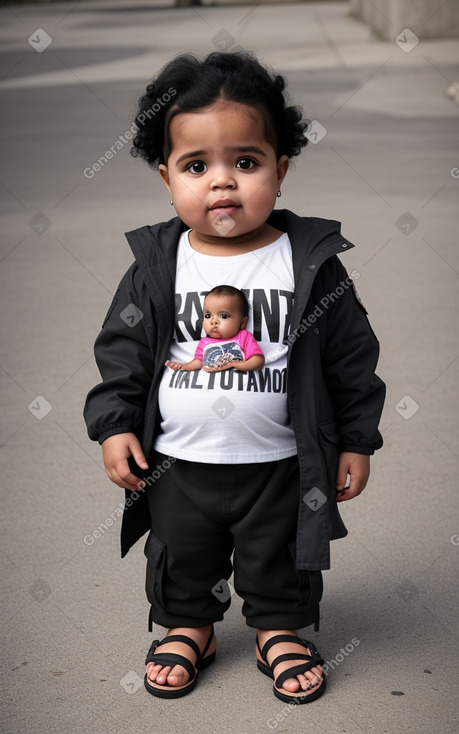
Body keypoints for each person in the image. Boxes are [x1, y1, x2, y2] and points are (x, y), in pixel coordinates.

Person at [83, 50, 385, 704]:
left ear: (281, 168)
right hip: (175, 461)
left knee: (278, 552)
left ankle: (280, 628)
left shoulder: (308, 264)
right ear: (167, 178)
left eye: (244, 163)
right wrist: (112, 428)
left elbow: (350, 357)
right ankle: (189, 625)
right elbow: (122, 352)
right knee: (180, 551)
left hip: (280, 459)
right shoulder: (158, 267)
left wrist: (357, 439)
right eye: (197, 166)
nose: (221, 183)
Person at [165, 284, 265, 373]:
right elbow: (198, 361)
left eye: (224, 316)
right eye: (208, 316)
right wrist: (184, 366)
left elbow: (258, 361)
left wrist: (234, 364)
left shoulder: (244, 337)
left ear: (243, 323)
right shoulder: (204, 342)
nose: (214, 321)